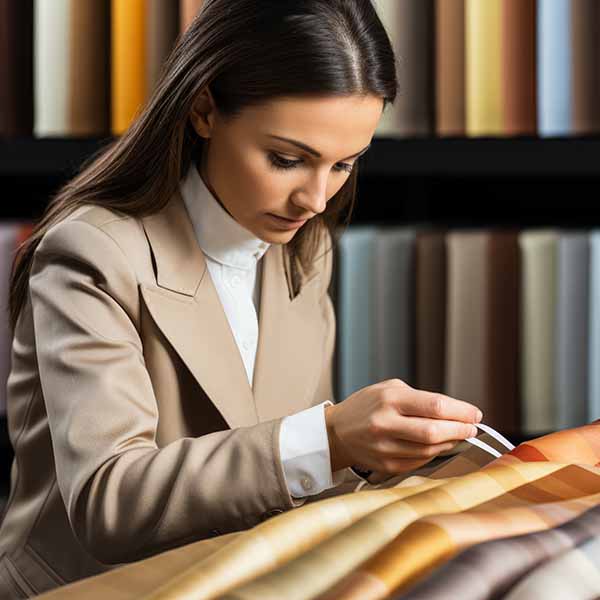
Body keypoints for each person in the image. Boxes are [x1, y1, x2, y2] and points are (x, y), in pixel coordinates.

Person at [0, 0, 482, 596]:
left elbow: (280, 484)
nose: (316, 199)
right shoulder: (92, 253)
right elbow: (109, 503)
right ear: (204, 109)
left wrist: (365, 459)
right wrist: (331, 437)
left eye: (344, 165)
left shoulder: (306, 253)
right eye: (287, 159)